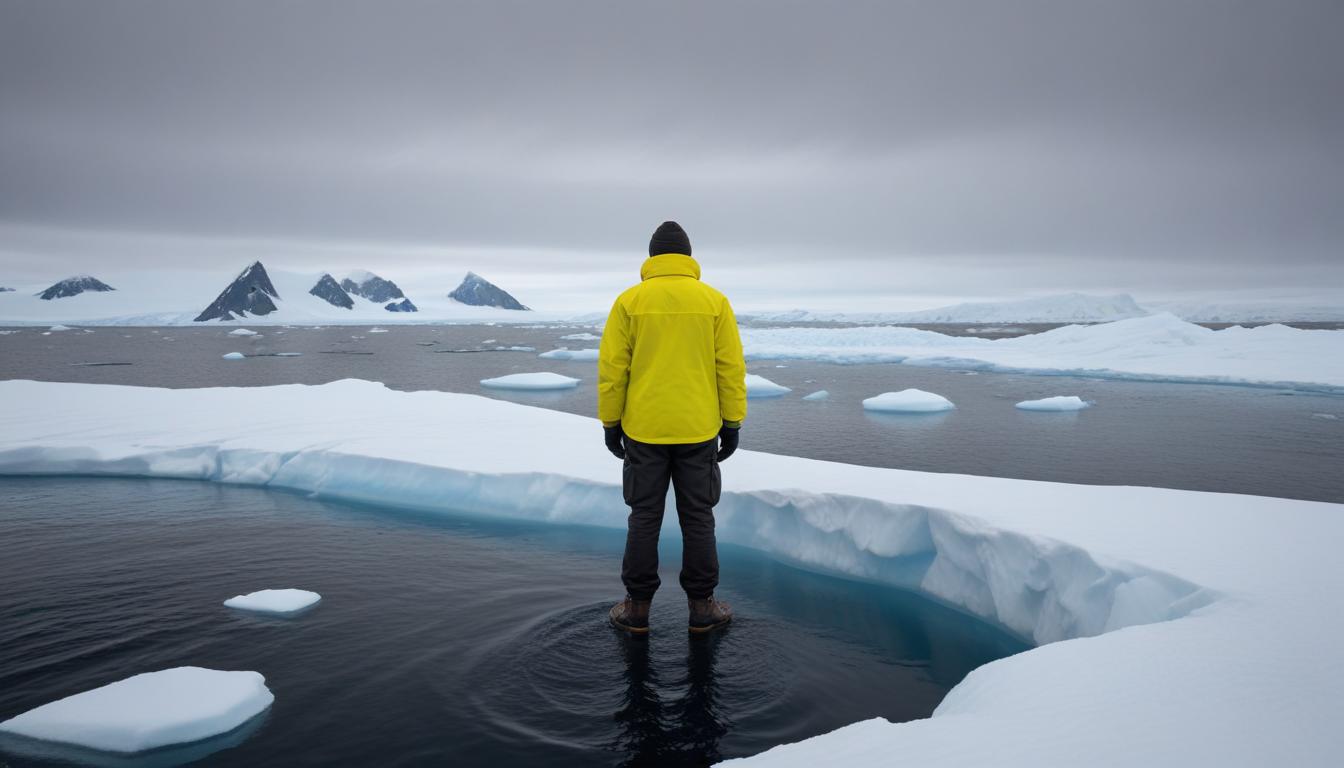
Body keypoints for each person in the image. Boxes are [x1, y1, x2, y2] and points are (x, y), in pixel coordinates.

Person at [599, 220, 747, 635]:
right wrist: (732, 422)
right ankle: (702, 608)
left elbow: (613, 370)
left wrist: (611, 423)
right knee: (698, 516)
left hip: (644, 431)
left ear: (651, 258)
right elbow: (730, 369)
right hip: (699, 430)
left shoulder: (629, 301)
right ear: (688, 257)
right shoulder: (714, 301)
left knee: (644, 516)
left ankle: (637, 610)